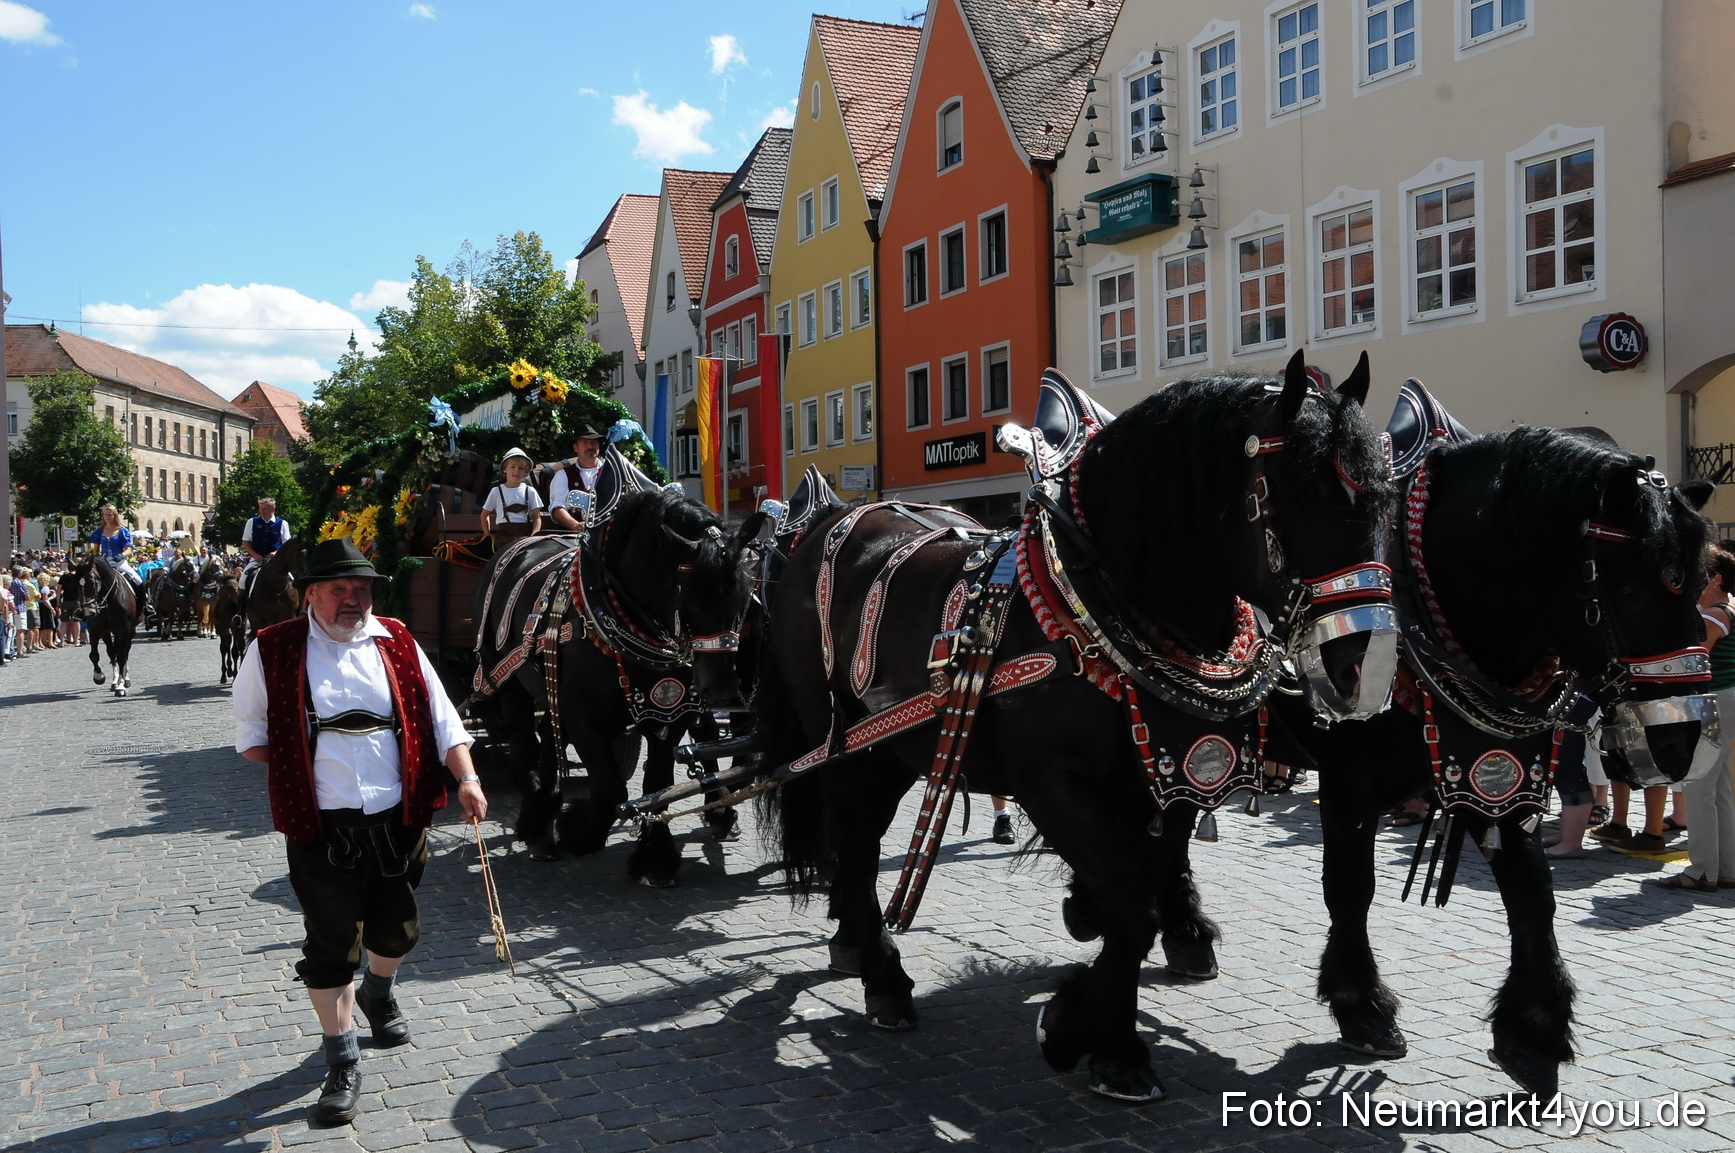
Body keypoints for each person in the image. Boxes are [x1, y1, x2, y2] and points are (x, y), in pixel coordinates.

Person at [231, 536, 488, 1126]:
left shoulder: (397, 638)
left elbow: (442, 714)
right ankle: (341, 1060)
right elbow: (251, 736)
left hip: (398, 816)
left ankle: (379, 988)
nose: (354, 599)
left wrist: (467, 778)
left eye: (363, 588)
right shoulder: (273, 648)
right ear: (312, 593)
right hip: (320, 825)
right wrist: (305, 759)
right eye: (340, 588)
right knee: (329, 945)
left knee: (395, 933)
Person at [1652, 545, 1735, 891]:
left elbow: (1695, 662)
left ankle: (1700, 871)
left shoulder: (1713, 615)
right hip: (1725, 698)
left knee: (1699, 786)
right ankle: (1727, 868)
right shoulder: (1725, 608)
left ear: (1715, 578)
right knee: (1718, 789)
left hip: (1715, 699)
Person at [547, 425, 606, 530]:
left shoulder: (610, 473)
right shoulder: (563, 475)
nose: (590, 446)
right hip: (574, 537)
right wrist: (576, 525)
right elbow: (557, 508)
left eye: (593, 442)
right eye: (585, 442)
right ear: (575, 447)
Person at [480, 447, 543, 542]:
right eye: (512, 467)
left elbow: (537, 517)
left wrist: (533, 537)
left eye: (520, 468)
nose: (516, 471)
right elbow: (484, 514)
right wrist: (487, 534)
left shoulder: (530, 491)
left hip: (525, 539)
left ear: (525, 471)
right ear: (504, 469)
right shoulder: (496, 491)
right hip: (503, 539)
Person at [241, 497, 294, 598]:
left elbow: (287, 544)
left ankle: (299, 609)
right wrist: (255, 555)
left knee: (293, 580)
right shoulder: (251, 522)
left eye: (264, 509)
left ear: (273, 509)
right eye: (260, 508)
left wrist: (276, 552)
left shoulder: (282, 523)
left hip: (276, 560)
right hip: (257, 559)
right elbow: (245, 542)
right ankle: (241, 610)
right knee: (242, 581)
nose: (262, 511)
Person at [91, 504, 145, 587]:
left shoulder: (122, 531)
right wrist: (95, 560)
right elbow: (96, 550)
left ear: (114, 515)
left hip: (119, 563)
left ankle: (143, 600)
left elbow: (129, 549)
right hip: (104, 564)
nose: (107, 517)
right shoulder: (99, 531)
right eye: (105, 514)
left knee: (138, 580)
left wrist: (121, 555)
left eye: (110, 514)